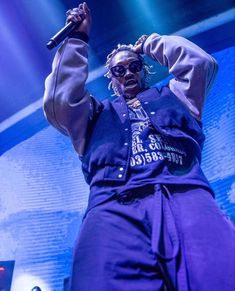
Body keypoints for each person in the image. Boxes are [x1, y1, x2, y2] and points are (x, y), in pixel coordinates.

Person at [43, 2, 235, 291]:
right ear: (112, 79)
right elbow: (59, 101)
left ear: (143, 69)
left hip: (184, 192)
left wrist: (149, 44)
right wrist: (77, 40)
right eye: (119, 70)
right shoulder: (94, 113)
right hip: (112, 203)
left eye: (133, 66)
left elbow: (200, 64)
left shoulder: (176, 95)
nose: (128, 73)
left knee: (221, 273)